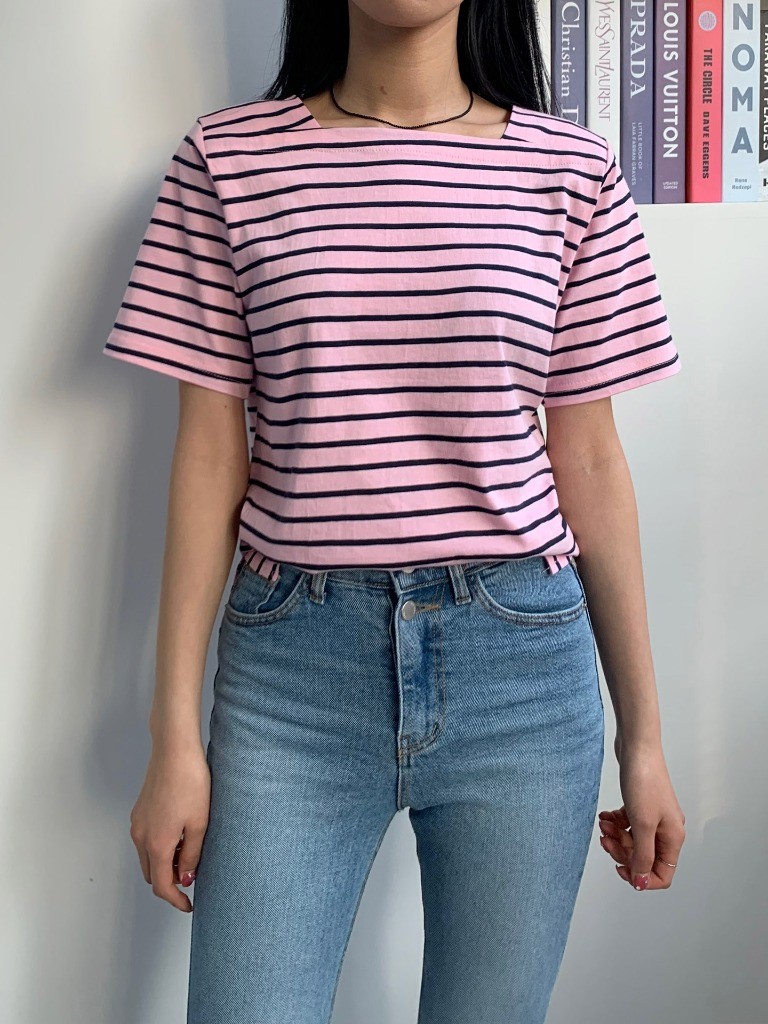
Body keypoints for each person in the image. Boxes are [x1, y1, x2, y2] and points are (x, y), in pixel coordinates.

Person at [103, 1, 687, 1021]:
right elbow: (209, 456)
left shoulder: (573, 170)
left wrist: (644, 738)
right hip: (291, 681)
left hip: (522, 674)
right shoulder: (227, 162)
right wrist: (173, 738)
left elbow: (589, 455)